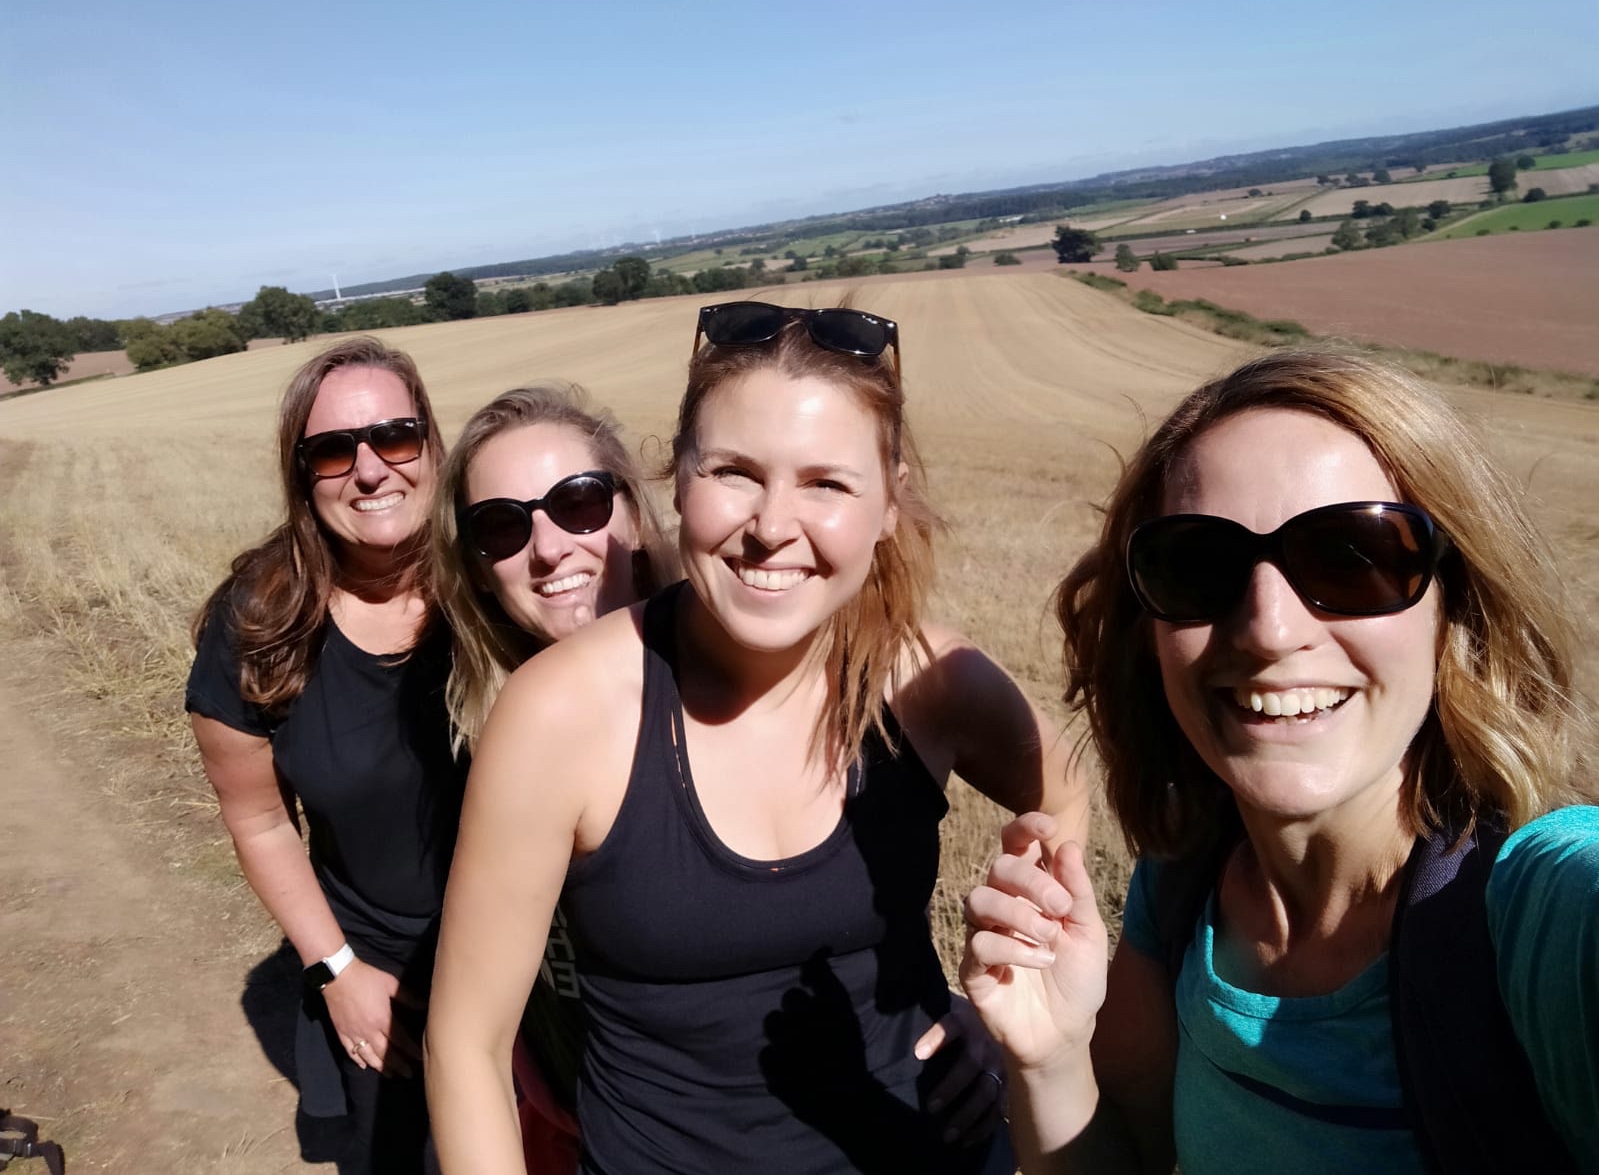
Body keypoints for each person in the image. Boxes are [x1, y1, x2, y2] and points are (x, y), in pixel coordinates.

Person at [426, 300, 1093, 1174]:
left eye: (826, 483)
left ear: (888, 504)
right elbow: (466, 1046)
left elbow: (1062, 790)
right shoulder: (561, 713)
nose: (773, 525)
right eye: (734, 472)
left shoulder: (929, 682)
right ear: (676, 479)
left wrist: (1008, 994)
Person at [959, 350, 1599, 1173]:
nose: (1268, 628)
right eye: (1197, 566)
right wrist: (1050, 1058)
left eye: (1352, 557)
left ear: (1458, 607)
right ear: (1146, 628)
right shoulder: (1182, 879)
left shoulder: (1544, 912)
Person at [186, 336, 463, 1174]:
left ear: (432, 443)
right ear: (302, 473)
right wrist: (338, 971)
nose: (370, 469)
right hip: (388, 975)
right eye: (334, 450)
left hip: (554, 964)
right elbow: (260, 819)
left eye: (395, 436)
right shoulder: (259, 624)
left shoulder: (500, 573)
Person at [430, 383, 673, 1171]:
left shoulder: (742, 696)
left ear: (633, 516)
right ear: (477, 567)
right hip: (570, 1131)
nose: (547, 547)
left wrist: (946, 1018)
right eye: (501, 526)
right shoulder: (473, 729)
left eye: (578, 503)